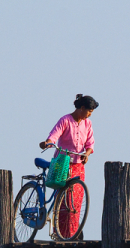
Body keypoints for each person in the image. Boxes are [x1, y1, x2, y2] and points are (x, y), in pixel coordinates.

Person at [41, 94, 97, 238]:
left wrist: (86, 154)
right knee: (64, 200)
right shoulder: (65, 120)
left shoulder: (87, 124)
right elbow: (54, 135)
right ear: (82, 108)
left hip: (78, 166)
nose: (90, 114)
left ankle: (72, 233)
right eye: (89, 111)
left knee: (75, 202)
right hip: (62, 163)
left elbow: (90, 144)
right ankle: (60, 233)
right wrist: (47, 143)